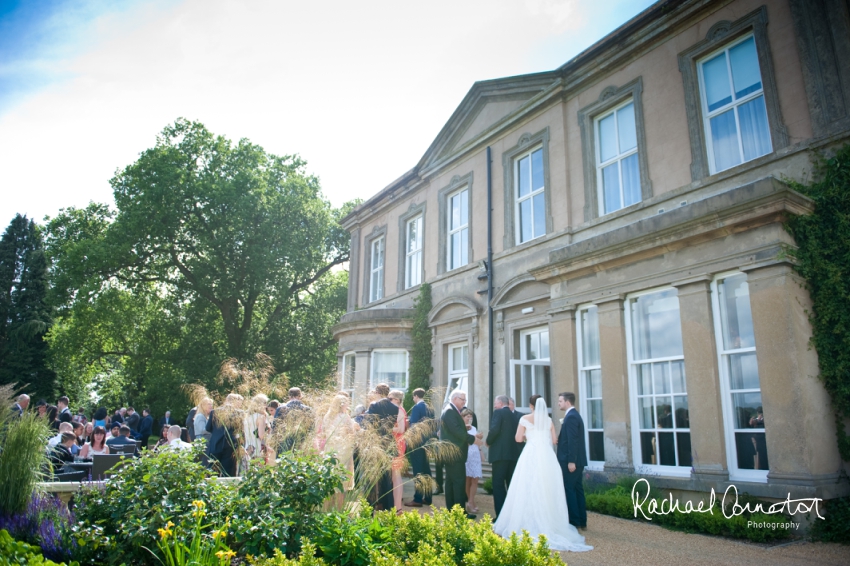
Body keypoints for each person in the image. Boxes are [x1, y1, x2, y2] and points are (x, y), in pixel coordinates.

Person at [493, 396, 592, 552]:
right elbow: (554, 440)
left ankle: (524, 521)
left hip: (530, 453)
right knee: (546, 486)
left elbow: (518, 439)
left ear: (531, 406)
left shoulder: (525, 418)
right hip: (546, 456)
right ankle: (550, 521)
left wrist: (527, 436)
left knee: (526, 485)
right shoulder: (548, 420)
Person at [440, 389, 481, 519]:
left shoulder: (451, 410)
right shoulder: (450, 411)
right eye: (463, 399)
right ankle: (460, 513)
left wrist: (466, 429)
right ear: (455, 399)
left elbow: (456, 429)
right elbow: (457, 431)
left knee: (452, 483)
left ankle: (452, 510)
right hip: (454, 454)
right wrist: (473, 439)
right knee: (458, 482)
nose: (465, 402)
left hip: (452, 453)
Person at [364, 383, 400, 511]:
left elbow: (369, 425)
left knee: (372, 478)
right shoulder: (395, 407)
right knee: (387, 478)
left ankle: (369, 507)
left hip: (376, 443)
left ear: (378, 393)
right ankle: (388, 508)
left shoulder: (374, 405)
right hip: (388, 443)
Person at [557, 392, 588, 530]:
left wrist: (571, 461)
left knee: (570, 489)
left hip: (571, 461)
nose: (558, 403)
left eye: (560, 401)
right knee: (577, 489)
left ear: (567, 402)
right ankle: (581, 521)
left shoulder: (571, 417)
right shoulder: (573, 416)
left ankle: (574, 522)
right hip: (576, 460)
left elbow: (573, 441)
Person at [486, 395, 520, 518]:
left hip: (500, 455)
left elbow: (494, 430)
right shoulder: (515, 415)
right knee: (510, 484)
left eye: (495, 403)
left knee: (498, 484)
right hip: (513, 455)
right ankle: (511, 515)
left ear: (500, 403)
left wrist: (488, 441)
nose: (495, 405)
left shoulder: (498, 413)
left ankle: (501, 516)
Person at [321, 394, 357, 508]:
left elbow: (323, 431)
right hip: (343, 449)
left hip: (330, 449)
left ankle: (327, 506)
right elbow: (351, 433)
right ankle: (339, 507)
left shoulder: (327, 416)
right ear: (342, 404)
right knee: (342, 478)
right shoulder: (345, 417)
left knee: (330, 476)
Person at [404, 388, 434, 507]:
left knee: (418, 471)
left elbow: (414, 426)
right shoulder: (430, 408)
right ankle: (428, 497)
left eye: (413, 397)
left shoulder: (417, 407)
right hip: (427, 442)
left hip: (417, 443)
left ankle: (417, 498)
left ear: (416, 396)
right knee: (426, 470)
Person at [206, 394, 244, 477]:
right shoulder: (239, 413)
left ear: (226, 400)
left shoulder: (214, 412)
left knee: (212, 470)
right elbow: (241, 430)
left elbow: (208, 428)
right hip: (231, 445)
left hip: (215, 444)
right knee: (227, 471)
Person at [273, 387, 312, 453]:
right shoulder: (307, 410)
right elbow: (311, 428)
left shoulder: (280, 409)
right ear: (300, 396)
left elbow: (275, 427)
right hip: (301, 443)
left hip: (283, 443)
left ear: (289, 396)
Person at [388, 390, 407, 513]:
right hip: (397, 443)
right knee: (395, 476)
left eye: (390, 399)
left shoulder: (399, 410)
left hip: (397, 444)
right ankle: (396, 506)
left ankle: (398, 507)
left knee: (396, 476)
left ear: (396, 399)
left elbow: (400, 429)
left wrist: (386, 427)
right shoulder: (400, 409)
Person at [462, 409, 482, 514]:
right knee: (468, 479)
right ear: (463, 417)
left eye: (471, 416)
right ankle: (470, 502)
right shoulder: (461, 428)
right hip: (467, 454)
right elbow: (465, 442)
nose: (469, 418)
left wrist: (479, 440)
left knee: (475, 479)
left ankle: (471, 501)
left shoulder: (474, 428)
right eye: (467, 416)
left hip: (475, 455)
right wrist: (475, 437)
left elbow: (477, 442)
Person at [243, 394, 268, 466]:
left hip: (248, 446)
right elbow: (261, 435)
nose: (266, 406)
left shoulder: (247, 416)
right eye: (265, 403)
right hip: (257, 446)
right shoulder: (261, 417)